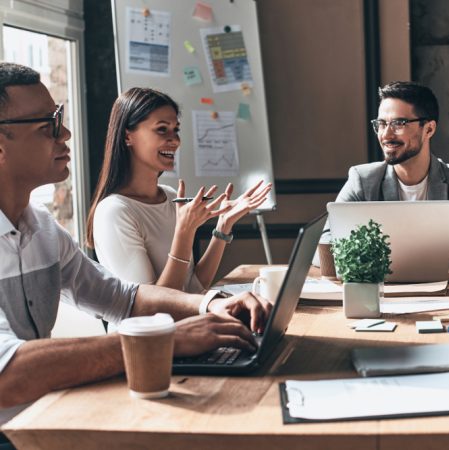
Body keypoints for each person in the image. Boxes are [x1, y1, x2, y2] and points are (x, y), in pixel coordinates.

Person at [0, 63, 271, 427]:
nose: (64, 132)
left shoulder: (42, 227)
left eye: (60, 118)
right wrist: (166, 339)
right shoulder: (111, 211)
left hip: (42, 419)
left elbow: (125, 298)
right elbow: (8, 375)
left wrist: (212, 303)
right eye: (48, 124)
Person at [86, 88, 271, 294]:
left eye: (176, 130)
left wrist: (223, 225)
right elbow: (152, 307)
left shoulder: (172, 197)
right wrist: (184, 233)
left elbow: (192, 287)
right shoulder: (114, 212)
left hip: (187, 324)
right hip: (151, 326)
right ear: (128, 136)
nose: (175, 140)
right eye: (162, 129)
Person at [333, 81, 449, 241]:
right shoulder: (362, 181)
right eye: (382, 124)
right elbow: (327, 242)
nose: (385, 135)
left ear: (429, 129)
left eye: (398, 123)